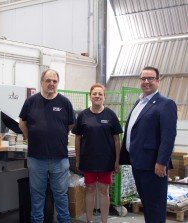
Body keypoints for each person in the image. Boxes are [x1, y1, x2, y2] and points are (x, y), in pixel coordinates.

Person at [120, 66, 177, 223]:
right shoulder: (139, 103)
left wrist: (161, 162)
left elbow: (169, 136)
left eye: (150, 78)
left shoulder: (165, 104)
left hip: (153, 166)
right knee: (148, 205)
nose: (146, 81)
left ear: (158, 81)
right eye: (143, 78)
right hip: (138, 163)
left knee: (155, 207)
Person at [19, 69, 75, 223]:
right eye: (48, 80)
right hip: (36, 158)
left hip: (59, 158)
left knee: (61, 196)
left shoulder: (65, 103)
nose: (51, 84)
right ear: (41, 82)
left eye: (55, 81)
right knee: (37, 196)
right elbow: (22, 123)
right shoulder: (31, 102)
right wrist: (32, 137)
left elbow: (70, 125)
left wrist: (54, 135)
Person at [72, 83, 122, 223]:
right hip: (88, 160)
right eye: (94, 93)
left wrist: (117, 160)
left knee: (104, 191)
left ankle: (104, 221)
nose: (97, 96)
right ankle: (89, 220)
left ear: (104, 97)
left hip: (107, 161)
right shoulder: (83, 115)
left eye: (100, 94)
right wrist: (78, 159)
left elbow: (117, 140)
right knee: (90, 189)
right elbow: (77, 138)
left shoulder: (110, 115)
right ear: (90, 96)